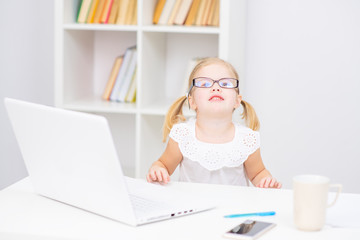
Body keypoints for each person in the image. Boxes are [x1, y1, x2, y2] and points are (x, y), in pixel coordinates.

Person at [146, 57, 281, 188]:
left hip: (233, 209)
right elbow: (163, 164)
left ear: (237, 101)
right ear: (192, 101)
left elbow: (258, 173)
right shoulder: (183, 135)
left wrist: (265, 181)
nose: (216, 88)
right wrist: (158, 169)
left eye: (225, 84)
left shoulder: (246, 139)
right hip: (191, 208)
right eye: (205, 84)